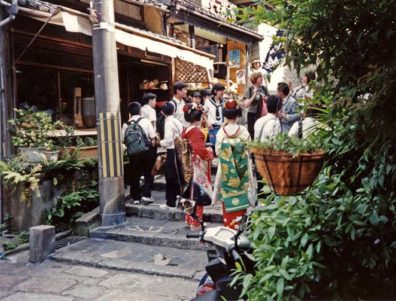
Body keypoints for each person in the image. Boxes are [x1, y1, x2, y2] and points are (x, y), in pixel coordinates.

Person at [212, 100, 255, 230]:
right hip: (242, 171)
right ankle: (240, 227)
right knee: (242, 195)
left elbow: (218, 151)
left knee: (227, 197)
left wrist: (228, 155)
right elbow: (250, 148)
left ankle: (229, 226)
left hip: (226, 170)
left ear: (225, 116)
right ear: (237, 115)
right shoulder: (243, 131)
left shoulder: (221, 132)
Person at [181, 103, 214, 231]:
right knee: (198, 193)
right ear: (198, 118)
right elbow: (199, 150)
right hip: (196, 166)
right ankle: (196, 223)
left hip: (187, 164)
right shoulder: (196, 131)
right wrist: (209, 151)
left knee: (189, 192)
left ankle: (189, 219)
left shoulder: (185, 130)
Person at [122, 102, 156, 204]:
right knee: (148, 173)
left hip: (133, 153)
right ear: (140, 111)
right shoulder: (145, 121)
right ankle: (146, 195)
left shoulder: (126, 124)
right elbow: (152, 136)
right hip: (146, 151)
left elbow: (122, 140)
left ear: (129, 113)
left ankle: (136, 198)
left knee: (135, 174)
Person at [159, 102, 184, 209]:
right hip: (179, 150)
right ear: (174, 111)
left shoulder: (168, 122)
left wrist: (160, 143)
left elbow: (169, 140)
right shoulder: (177, 121)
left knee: (170, 177)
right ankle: (179, 199)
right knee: (178, 175)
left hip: (171, 150)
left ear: (162, 112)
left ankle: (170, 202)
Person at [243, 72, 269, 139]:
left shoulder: (264, 89)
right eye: (260, 77)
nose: (262, 78)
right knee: (252, 133)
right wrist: (254, 95)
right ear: (255, 78)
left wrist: (265, 98)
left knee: (263, 132)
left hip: (262, 114)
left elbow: (269, 100)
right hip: (252, 114)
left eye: (262, 77)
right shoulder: (249, 89)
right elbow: (246, 105)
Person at [204, 83, 225, 149]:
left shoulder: (224, 101)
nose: (222, 92)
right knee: (214, 144)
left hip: (222, 126)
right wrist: (208, 123)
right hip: (212, 127)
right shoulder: (208, 101)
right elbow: (203, 113)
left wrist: (224, 124)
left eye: (223, 90)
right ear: (215, 91)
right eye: (221, 90)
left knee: (222, 145)